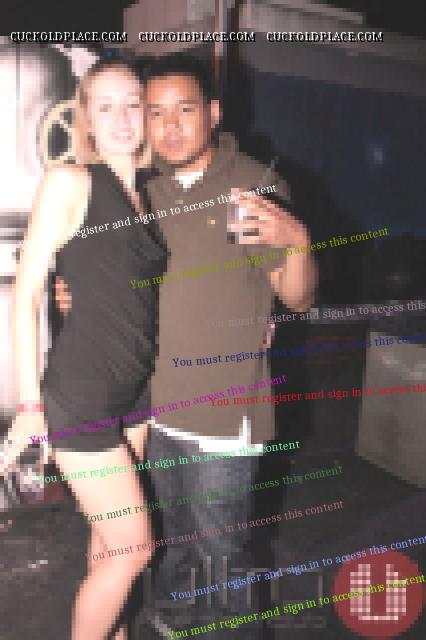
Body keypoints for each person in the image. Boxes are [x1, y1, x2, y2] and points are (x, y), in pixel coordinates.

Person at [55, 55, 317, 638]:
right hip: (153, 410)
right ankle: (174, 623)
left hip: (223, 416)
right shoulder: (144, 191)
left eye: (185, 110)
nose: (169, 126)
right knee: (171, 542)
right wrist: (79, 294)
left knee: (223, 552)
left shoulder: (252, 186)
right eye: (155, 113)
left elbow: (297, 298)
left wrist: (297, 242)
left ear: (213, 114)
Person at [2, 59, 167, 640]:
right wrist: (30, 407)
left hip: (136, 393)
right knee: (134, 547)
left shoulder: (145, 194)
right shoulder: (71, 181)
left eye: (132, 104)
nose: (122, 119)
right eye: (106, 106)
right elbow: (26, 295)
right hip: (84, 395)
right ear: (87, 119)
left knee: (108, 540)